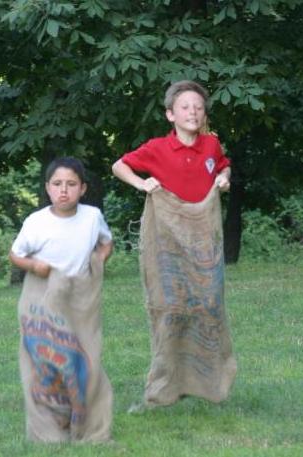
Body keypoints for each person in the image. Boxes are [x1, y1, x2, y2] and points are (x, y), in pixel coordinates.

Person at [112, 80, 237, 408]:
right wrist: (142, 183)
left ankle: (208, 384)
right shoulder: (156, 148)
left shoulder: (211, 145)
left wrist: (224, 179)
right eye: (185, 107)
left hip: (203, 243)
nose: (192, 112)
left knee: (208, 306)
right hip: (167, 244)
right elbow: (119, 166)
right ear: (170, 114)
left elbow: (223, 165)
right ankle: (164, 386)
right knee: (170, 308)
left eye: (198, 107)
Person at [9, 156, 114, 443]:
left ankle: (87, 424)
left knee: (84, 358)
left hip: (80, 298)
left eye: (71, 184)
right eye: (57, 184)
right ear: (47, 188)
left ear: (83, 188)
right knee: (47, 360)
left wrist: (98, 262)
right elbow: (15, 254)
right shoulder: (37, 222)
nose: (63, 190)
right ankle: (49, 427)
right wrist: (34, 266)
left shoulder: (92, 217)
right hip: (42, 296)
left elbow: (106, 243)